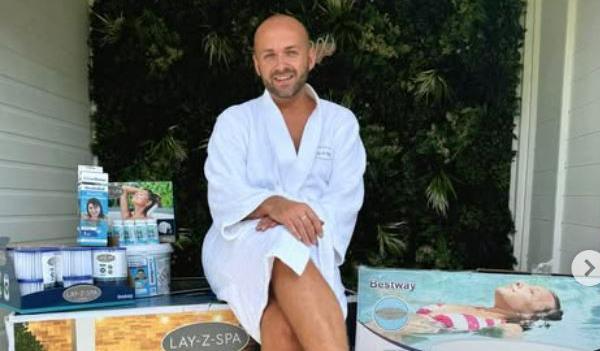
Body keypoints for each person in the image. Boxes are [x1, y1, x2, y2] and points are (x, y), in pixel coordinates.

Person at [202, 14, 366, 351]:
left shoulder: (340, 123)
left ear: (310, 56)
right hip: (240, 244)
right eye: (269, 55)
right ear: (256, 65)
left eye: (290, 52)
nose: (281, 65)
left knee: (281, 322)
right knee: (281, 242)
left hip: (312, 242)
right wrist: (274, 207)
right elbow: (224, 193)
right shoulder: (235, 121)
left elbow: (345, 199)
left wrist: (290, 218)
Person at [369, 281, 563, 339]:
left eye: (530, 291)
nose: (520, 282)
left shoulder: (508, 328)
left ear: (530, 316)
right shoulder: (473, 308)